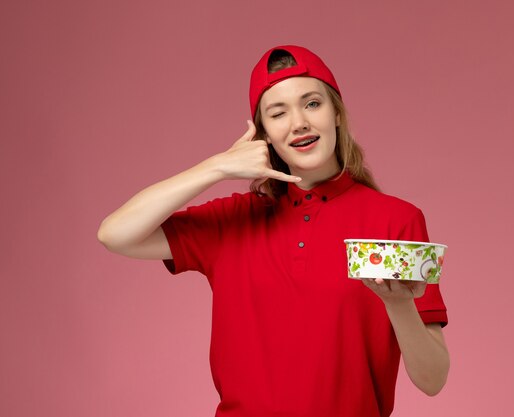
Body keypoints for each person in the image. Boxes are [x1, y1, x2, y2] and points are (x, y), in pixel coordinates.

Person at [98, 44, 449, 417]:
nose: (298, 123)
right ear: (263, 134)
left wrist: (398, 304)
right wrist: (216, 167)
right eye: (277, 113)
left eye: (312, 104)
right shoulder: (232, 220)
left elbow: (432, 380)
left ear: (337, 115)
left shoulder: (396, 221)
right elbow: (115, 233)